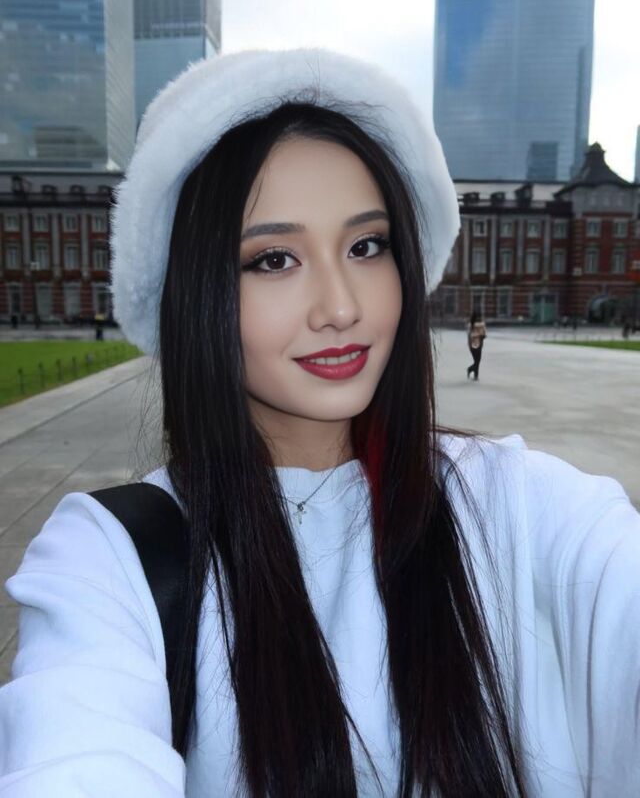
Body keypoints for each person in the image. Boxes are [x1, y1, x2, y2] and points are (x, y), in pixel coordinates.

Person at [0, 48, 639, 798]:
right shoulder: (111, 558)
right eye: (274, 259)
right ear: (197, 291)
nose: (341, 306)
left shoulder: (524, 505)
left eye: (367, 246)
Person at [466, 311, 487, 381]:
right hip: (479, 344)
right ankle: (473, 372)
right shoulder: (481, 325)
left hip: (472, 344)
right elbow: (484, 335)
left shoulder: (470, 325)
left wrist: (469, 344)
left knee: (476, 361)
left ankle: (473, 373)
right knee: (477, 361)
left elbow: (469, 336)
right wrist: (480, 335)